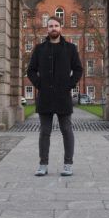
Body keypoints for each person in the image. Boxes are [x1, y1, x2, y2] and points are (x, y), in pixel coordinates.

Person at [27, 16, 83, 177]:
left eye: (56, 25)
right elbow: (31, 70)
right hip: (45, 96)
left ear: (61, 28)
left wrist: (69, 84)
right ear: (47, 29)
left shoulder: (71, 48)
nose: (53, 28)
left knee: (67, 130)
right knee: (44, 131)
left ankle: (68, 164)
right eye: (50, 26)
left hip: (63, 96)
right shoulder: (39, 49)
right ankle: (43, 164)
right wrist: (39, 84)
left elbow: (78, 69)